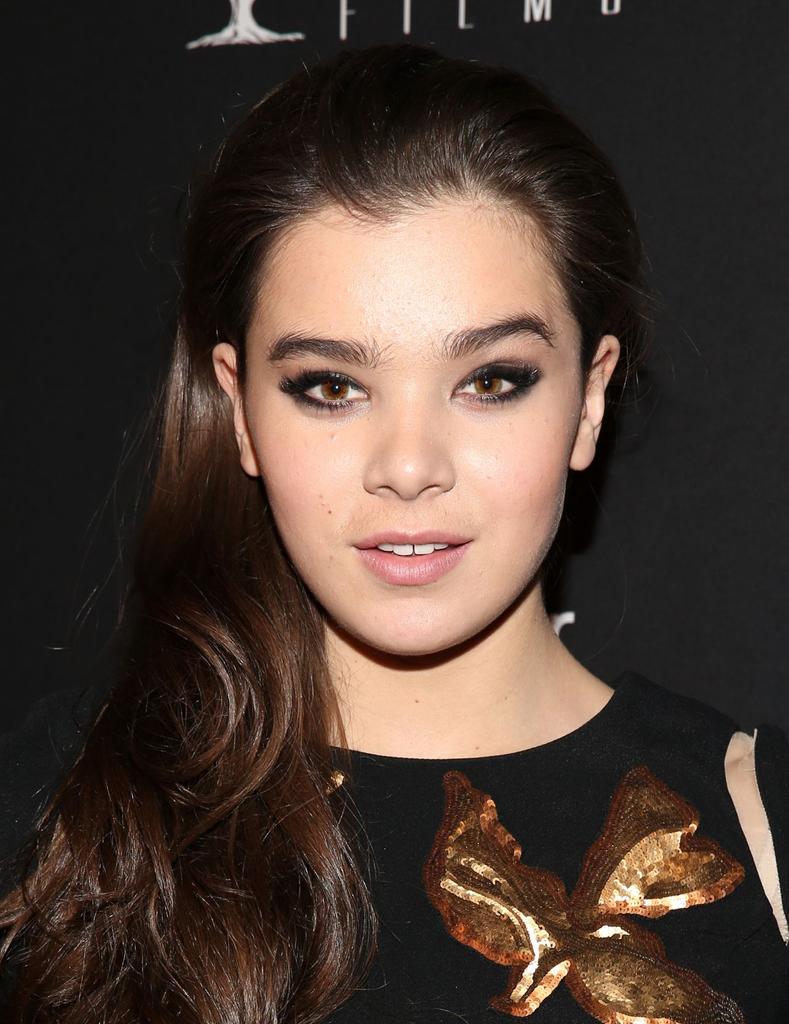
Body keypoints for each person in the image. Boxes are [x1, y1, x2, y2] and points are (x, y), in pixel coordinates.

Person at [0, 41, 787, 1024]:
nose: (409, 467)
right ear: (240, 410)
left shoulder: (760, 830)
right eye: (331, 387)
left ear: (588, 400)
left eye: (490, 380)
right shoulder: (54, 818)